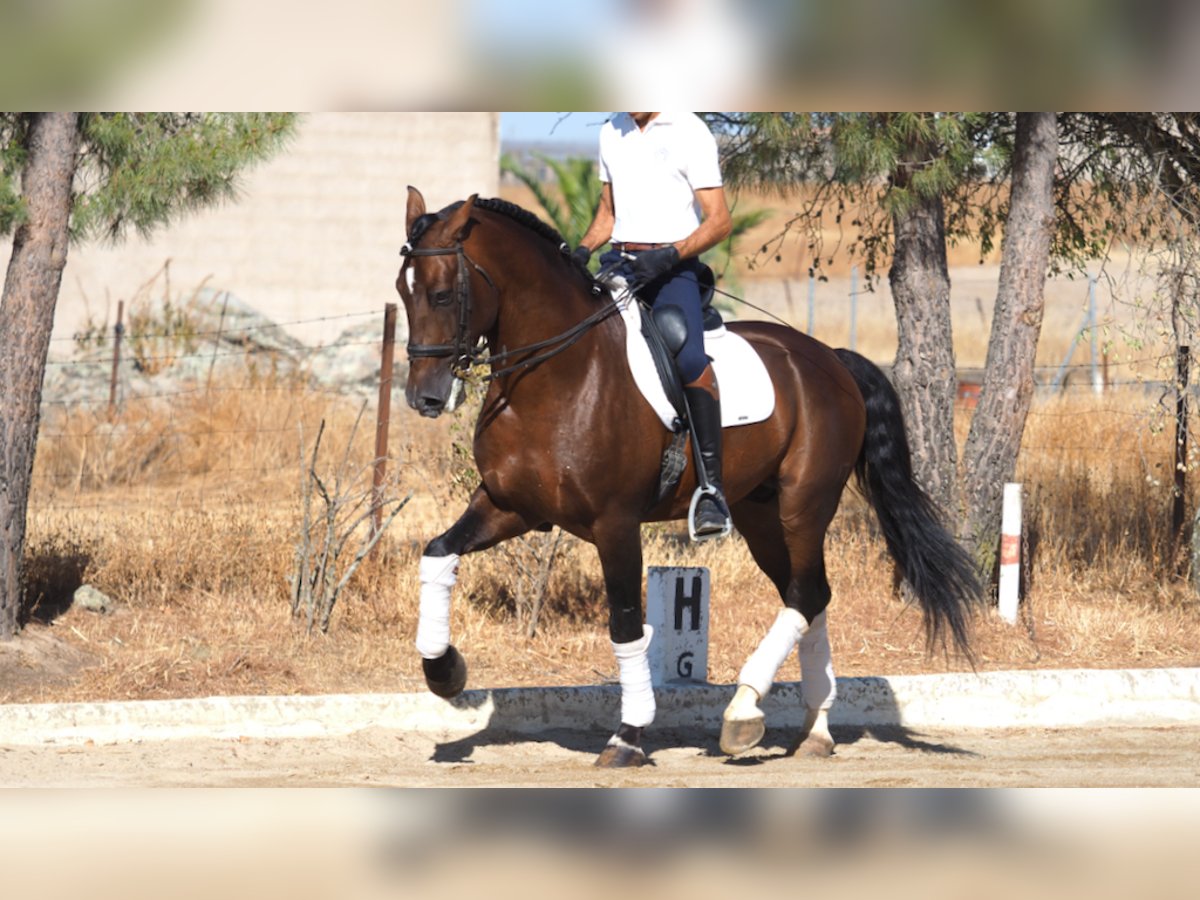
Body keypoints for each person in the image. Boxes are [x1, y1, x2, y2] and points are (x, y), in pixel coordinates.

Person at [573, 111, 734, 538]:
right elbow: (608, 213)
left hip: (671, 267)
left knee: (688, 355)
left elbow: (719, 220)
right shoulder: (612, 130)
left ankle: (712, 492)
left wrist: (669, 255)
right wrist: (582, 249)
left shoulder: (690, 129)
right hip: (619, 262)